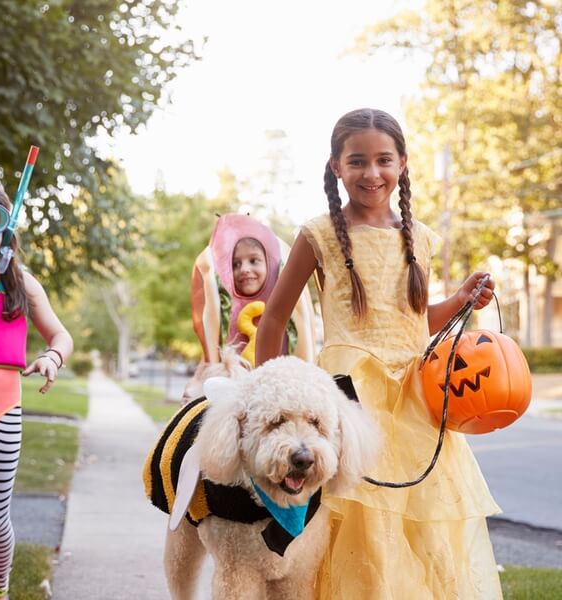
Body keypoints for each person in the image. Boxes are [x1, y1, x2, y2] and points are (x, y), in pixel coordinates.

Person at [255, 108, 502, 599]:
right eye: (358, 161)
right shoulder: (318, 234)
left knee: (427, 530)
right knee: (351, 525)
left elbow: (413, 320)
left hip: (415, 402)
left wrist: (459, 301)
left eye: (384, 160)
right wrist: (266, 397)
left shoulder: (422, 238)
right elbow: (274, 318)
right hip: (350, 401)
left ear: (403, 164)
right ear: (336, 167)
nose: (372, 173)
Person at [0, 181, 73, 600]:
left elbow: (61, 335)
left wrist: (52, 358)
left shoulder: (21, 283)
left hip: (3, 408)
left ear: (6, 230)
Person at [189, 213, 316, 370]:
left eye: (253, 261)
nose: (245, 269)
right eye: (235, 264)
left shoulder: (288, 304)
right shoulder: (221, 306)